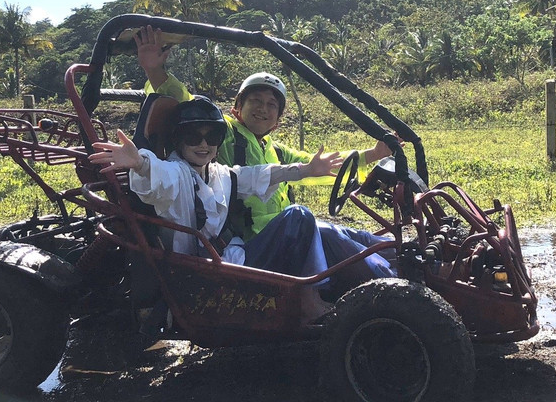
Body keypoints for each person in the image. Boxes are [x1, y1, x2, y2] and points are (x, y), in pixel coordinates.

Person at [89, 97, 394, 312]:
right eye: (193, 136)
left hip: (231, 258)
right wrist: (140, 163)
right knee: (299, 216)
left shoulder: (217, 173)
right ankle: (310, 298)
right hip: (207, 274)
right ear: (178, 140)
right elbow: (156, 177)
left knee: (332, 230)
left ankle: (393, 256)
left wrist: (305, 170)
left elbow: (258, 175)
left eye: (212, 136)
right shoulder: (176, 173)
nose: (203, 144)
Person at [134, 24, 396, 240]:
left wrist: (375, 153)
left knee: (354, 237)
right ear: (237, 109)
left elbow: (321, 164)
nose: (263, 109)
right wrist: (154, 70)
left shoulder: (275, 150)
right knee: (308, 221)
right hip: (252, 240)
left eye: (272, 105)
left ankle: (395, 261)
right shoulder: (222, 133)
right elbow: (190, 107)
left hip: (285, 233)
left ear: (277, 120)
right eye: (256, 101)